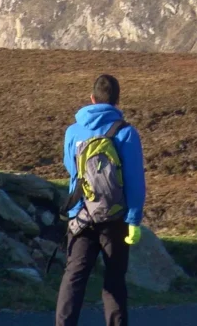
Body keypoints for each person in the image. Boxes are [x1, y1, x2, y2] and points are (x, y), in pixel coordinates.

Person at [55, 74, 146, 326]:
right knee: (115, 279)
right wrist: (134, 220)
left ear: (92, 99)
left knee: (74, 276)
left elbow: (71, 169)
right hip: (115, 217)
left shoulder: (73, 131)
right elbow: (135, 179)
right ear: (117, 101)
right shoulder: (126, 133)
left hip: (81, 214)